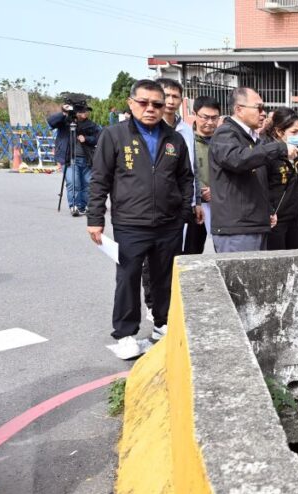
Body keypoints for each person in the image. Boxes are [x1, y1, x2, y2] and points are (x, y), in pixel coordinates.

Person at [86, 79, 194, 360]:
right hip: (130, 223)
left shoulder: (174, 139)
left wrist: (183, 212)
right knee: (128, 278)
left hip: (169, 223)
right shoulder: (114, 135)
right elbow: (100, 179)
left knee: (164, 278)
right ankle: (125, 333)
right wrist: (95, 218)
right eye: (143, 103)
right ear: (131, 103)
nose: (150, 109)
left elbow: (186, 178)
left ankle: (161, 324)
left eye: (157, 104)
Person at [209, 87, 298, 253]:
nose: (263, 113)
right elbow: (238, 160)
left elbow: (258, 182)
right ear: (239, 109)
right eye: (258, 108)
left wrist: (268, 210)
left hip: (256, 224)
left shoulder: (252, 138)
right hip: (238, 228)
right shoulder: (226, 134)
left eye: (263, 108)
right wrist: (279, 148)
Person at [142, 77, 197, 317]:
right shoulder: (144, 130)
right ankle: (152, 303)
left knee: (175, 256)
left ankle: (170, 303)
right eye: (167, 96)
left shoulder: (186, 130)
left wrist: (195, 202)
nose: (171, 101)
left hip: (180, 205)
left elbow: (191, 170)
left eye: (176, 96)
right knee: (150, 258)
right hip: (151, 206)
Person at [48, 100, 102, 217]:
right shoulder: (65, 122)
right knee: (73, 183)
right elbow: (51, 122)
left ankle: (84, 206)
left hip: (87, 159)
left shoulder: (91, 125)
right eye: (82, 111)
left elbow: (99, 138)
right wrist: (64, 112)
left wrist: (87, 139)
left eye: (86, 111)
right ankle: (74, 206)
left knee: (88, 184)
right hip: (69, 158)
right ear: (76, 112)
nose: (85, 113)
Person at [263, 107, 298, 250]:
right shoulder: (267, 152)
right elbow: (260, 186)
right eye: (294, 132)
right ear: (279, 131)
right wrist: (270, 211)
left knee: (297, 257)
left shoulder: (296, 151)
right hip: (275, 218)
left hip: (294, 215)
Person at [183, 95, 221, 254]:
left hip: (219, 203)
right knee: (192, 251)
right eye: (205, 117)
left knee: (223, 250)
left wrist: (216, 190)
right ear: (195, 114)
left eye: (214, 118)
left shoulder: (224, 141)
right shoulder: (185, 139)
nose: (210, 122)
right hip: (195, 205)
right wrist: (198, 193)